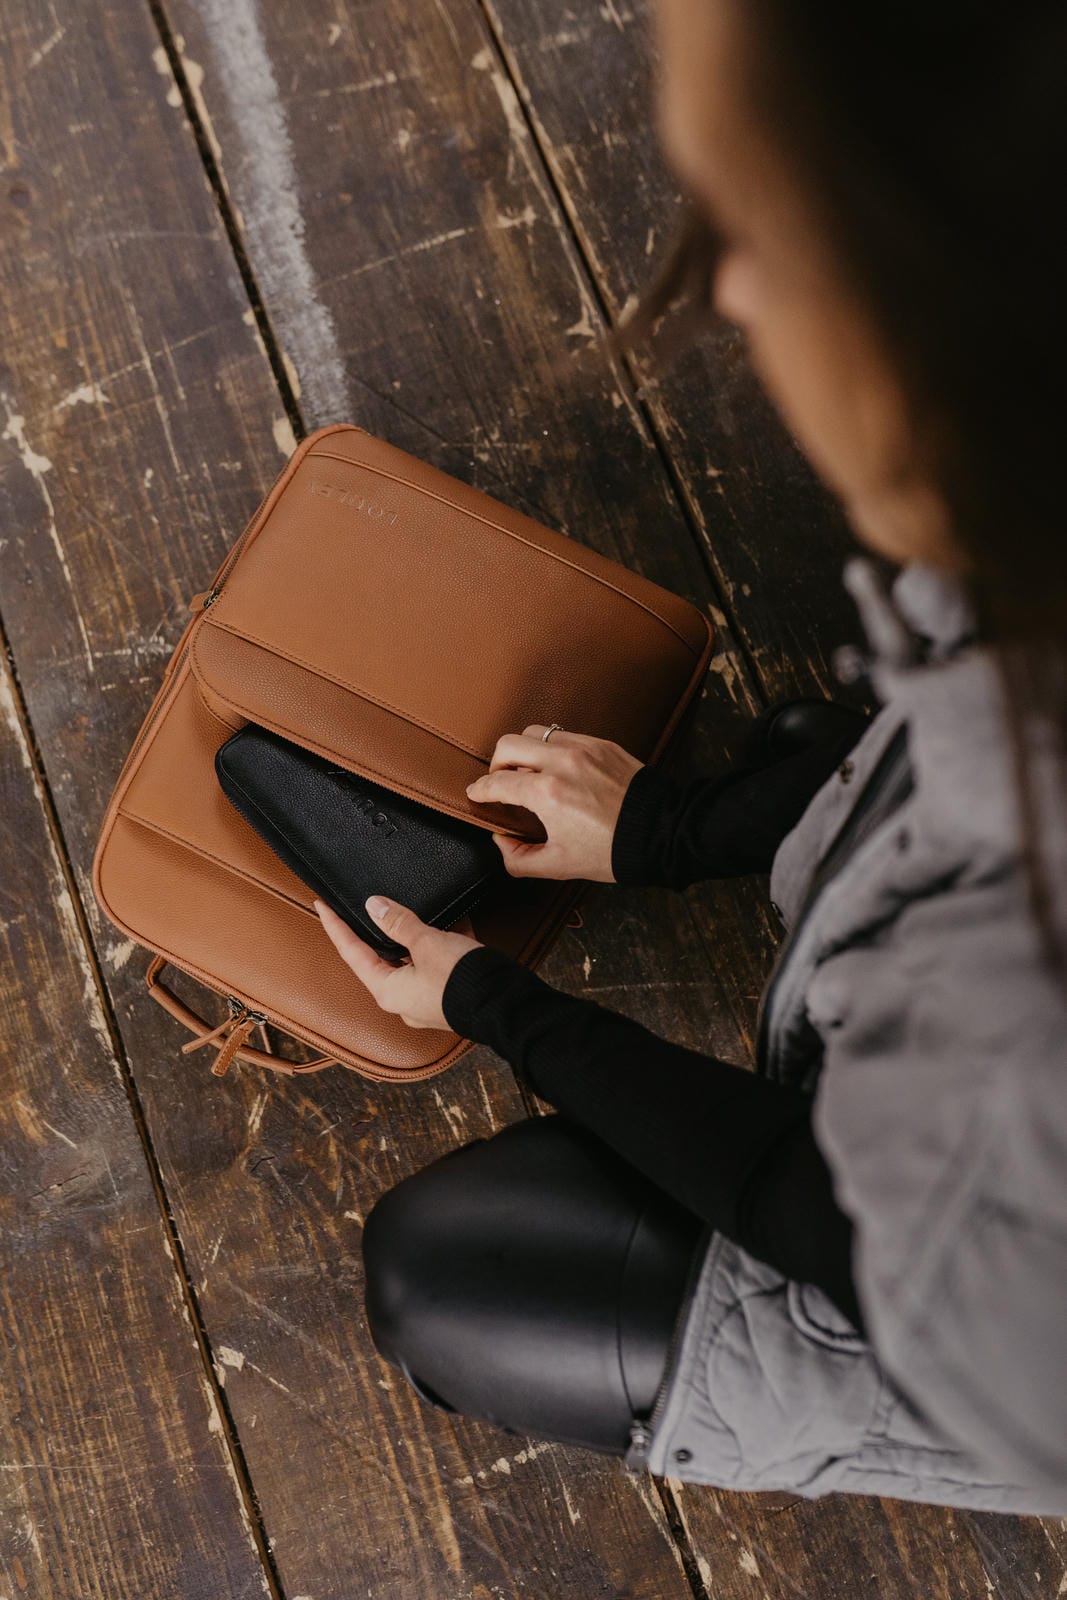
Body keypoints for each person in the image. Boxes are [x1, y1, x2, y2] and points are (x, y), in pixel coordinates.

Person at [311, 0, 1067, 1511]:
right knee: (825, 738)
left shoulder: (1013, 1060)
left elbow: (814, 1200)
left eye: (757, 229)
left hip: (980, 1313)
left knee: (441, 1281)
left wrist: (497, 1003)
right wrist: (665, 829)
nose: (720, 289)